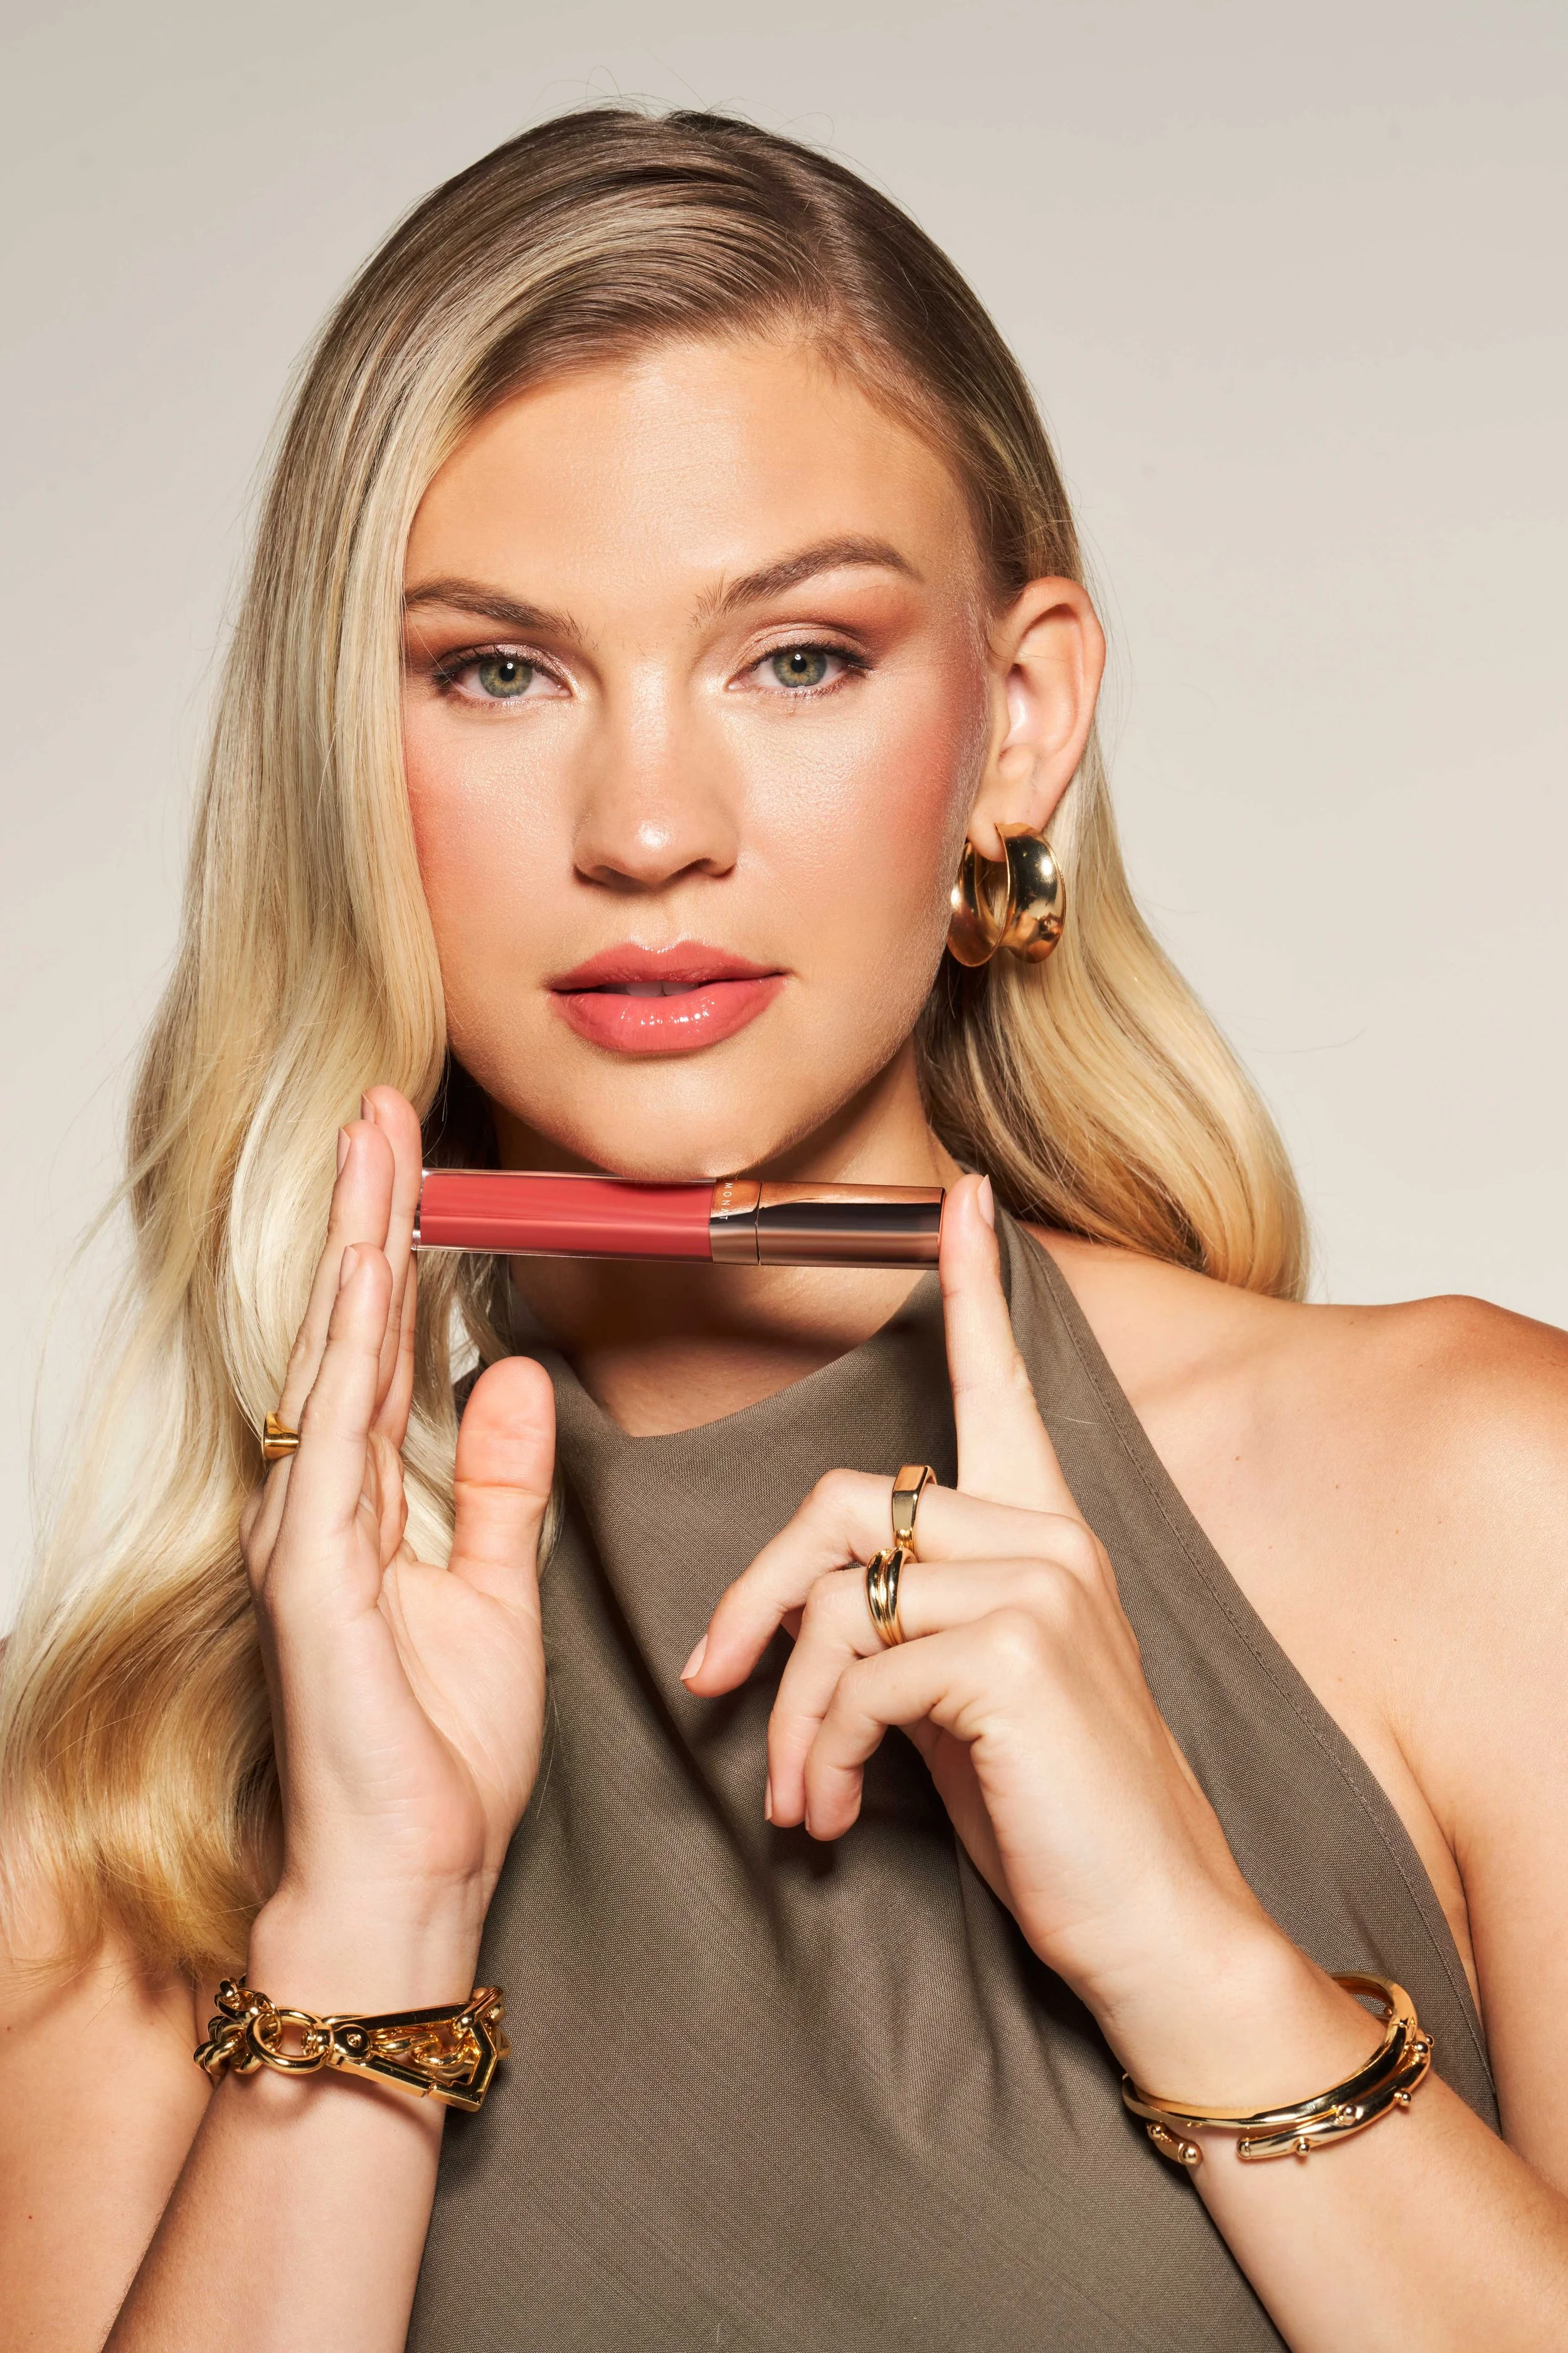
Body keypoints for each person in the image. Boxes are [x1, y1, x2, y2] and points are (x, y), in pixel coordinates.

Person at [1, 104, 1565, 2353]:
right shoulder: (136, 1781)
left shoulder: (1481, 1501)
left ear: (1013, 726)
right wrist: (370, 1933)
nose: (648, 824)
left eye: (798, 658)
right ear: (345, 745)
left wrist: (1195, 1963)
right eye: (494, 671)